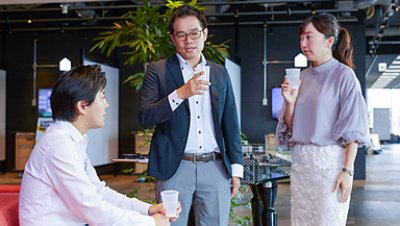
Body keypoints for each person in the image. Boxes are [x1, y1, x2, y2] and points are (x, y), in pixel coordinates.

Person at [19, 65, 179, 226]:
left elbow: (99, 193)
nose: (106, 104)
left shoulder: (70, 140)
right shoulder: (59, 145)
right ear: (82, 106)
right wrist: (150, 223)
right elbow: (91, 208)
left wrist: (148, 210)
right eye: (102, 97)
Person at [138, 5, 243, 226]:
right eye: (181, 35)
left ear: (204, 33)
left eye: (194, 33)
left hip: (215, 166)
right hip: (174, 168)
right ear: (172, 38)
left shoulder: (220, 73)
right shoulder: (158, 70)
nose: (189, 40)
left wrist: (236, 169)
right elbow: (145, 117)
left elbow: (230, 124)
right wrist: (180, 94)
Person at [276, 13, 370, 225]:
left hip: (330, 167)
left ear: (329, 41)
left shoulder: (344, 76)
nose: (303, 43)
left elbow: (352, 129)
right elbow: (292, 127)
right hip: (301, 165)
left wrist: (347, 170)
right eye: (301, 38)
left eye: (309, 37)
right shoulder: (302, 77)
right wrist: (289, 101)